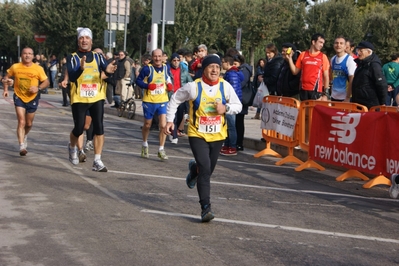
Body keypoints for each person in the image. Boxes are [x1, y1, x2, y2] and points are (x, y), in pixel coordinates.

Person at [164, 54, 242, 222]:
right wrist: (170, 120)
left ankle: (194, 170)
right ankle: (205, 208)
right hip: (197, 134)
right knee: (205, 170)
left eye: (217, 67)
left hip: (218, 135)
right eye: (210, 67)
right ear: (204, 69)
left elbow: (238, 105)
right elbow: (175, 99)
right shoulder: (193, 87)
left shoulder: (225, 86)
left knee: (207, 170)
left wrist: (226, 108)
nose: (214, 70)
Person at [62, 27, 116, 172]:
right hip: (79, 98)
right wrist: (80, 68)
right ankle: (72, 147)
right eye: (81, 38)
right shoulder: (72, 57)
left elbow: (106, 70)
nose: (84, 40)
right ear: (78, 40)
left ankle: (97, 160)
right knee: (79, 128)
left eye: (87, 38)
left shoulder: (98, 57)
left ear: (91, 41)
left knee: (99, 127)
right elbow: (72, 77)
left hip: (96, 97)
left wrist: (109, 71)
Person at [2, 47, 49, 156]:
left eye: (29, 54)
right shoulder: (15, 67)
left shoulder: (38, 69)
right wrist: (5, 88)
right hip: (19, 97)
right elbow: (6, 77)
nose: (27, 55)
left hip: (32, 98)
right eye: (25, 53)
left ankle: (25, 135)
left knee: (28, 123)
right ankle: (22, 146)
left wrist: (38, 88)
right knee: (21, 121)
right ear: (21, 55)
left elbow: (46, 82)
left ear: (33, 56)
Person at [135, 48, 173, 160]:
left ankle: (161, 149)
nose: (157, 58)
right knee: (147, 125)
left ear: (163, 57)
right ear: (152, 57)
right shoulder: (147, 69)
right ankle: (145, 144)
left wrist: (169, 85)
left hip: (162, 100)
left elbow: (168, 78)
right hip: (149, 101)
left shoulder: (166, 67)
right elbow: (138, 81)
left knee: (163, 125)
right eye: (155, 56)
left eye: (159, 56)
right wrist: (147, 86)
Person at [286, 33, 330, 100]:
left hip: (316, 91)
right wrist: (289, 59)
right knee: (304, 110)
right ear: (313, 42)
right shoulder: (303, 54)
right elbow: (295, 71)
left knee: (313, 110)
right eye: (320, 42)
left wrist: (326, 94)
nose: (322, 45)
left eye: (323, 43)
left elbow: (326, 76)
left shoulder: (323, 57)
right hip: (303, 90)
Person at [351, 41, 387, 109]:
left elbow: (381, 84)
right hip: (359, 103)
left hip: (370, 105)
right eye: (357, 50)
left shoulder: (374, 65)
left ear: (368, 52)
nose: (358, 53)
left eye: (361, 51)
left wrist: (382, 103)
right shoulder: (361, 64)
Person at [220, 55, 243, 156]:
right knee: (228, 125)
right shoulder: (232, 73)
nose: (221, 64)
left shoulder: (232, 74)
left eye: (223, 62)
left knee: (231, 126)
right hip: (229, 103)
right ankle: (228, 144)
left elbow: (232, 90)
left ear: (227, 63)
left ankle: (232, 146)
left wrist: (229, 102)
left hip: (230, 103)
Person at [168, 52, 192, 144]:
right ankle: (173, 134)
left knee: (179, 116)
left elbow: (190, 82)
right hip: (170, 96)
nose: (176, 62)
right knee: (172, 116)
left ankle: (175, 130)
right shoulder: (168, 71)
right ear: (171, 61)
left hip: (181, 97)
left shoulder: (184, 71)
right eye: (174, 60)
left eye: (178, 60)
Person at [330, 36, 357, 102]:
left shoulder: (350, 60)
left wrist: (347, 97)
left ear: (345, 46)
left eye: (341, 43)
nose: (338, 45)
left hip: (345, 98)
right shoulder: (332, 59)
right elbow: (332, 77)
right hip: (334, 96)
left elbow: (352, 80)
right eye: (336, 43)